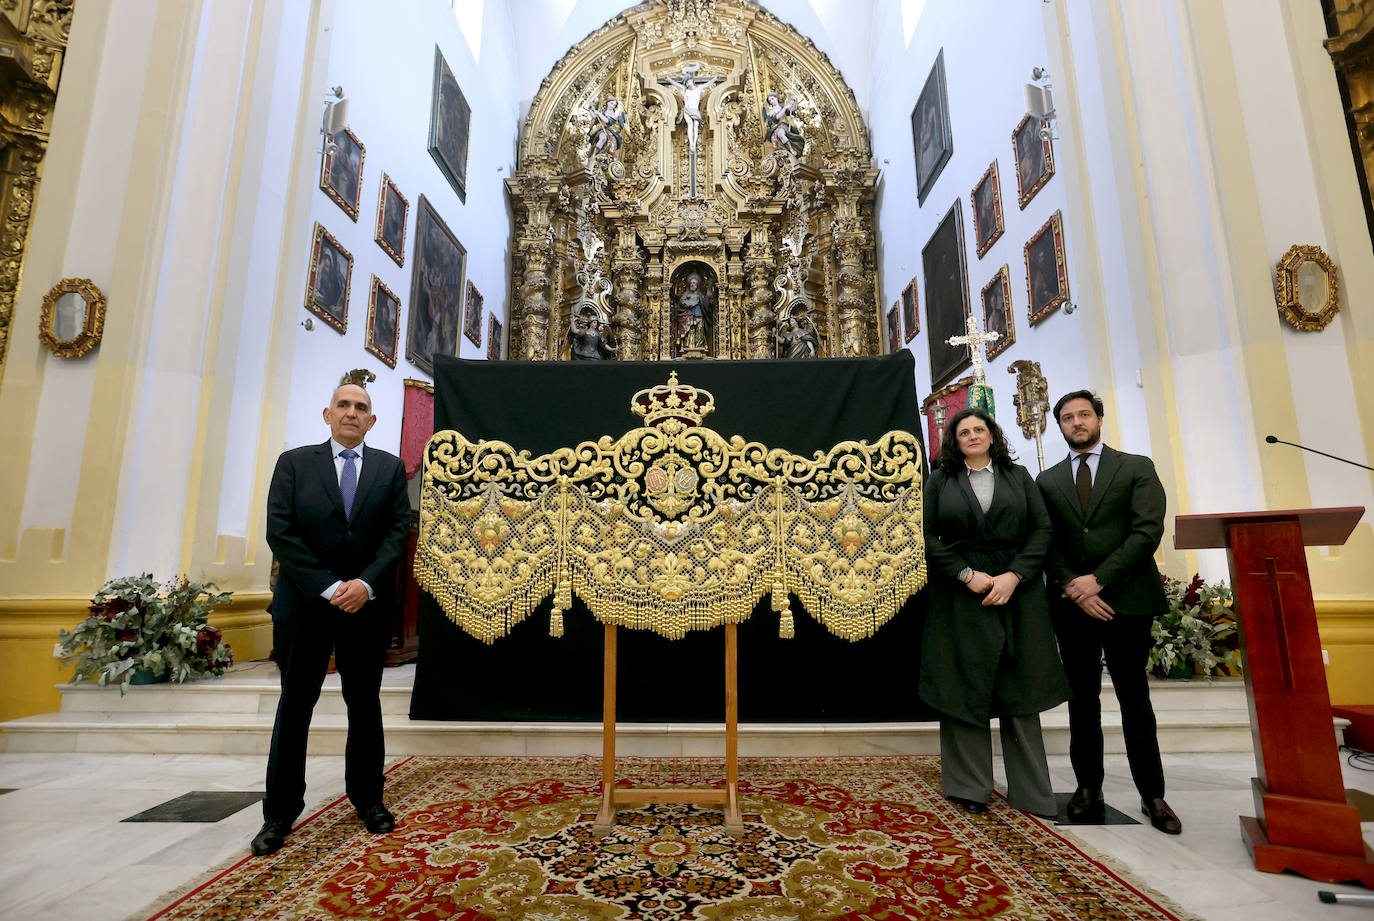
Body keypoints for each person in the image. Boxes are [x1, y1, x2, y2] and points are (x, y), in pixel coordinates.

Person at [251, 382, 411, 857]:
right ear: (327, 414)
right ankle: (279, 814)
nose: (351, 413)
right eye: (343, 405)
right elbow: (281, 531)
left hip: (365, 607)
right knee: (295, 706)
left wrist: (365, 585)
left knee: (364, 705)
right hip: (305, 605)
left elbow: (398, 531)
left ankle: (369, 800)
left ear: (371, 421)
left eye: (361, 408)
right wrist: (327, 586)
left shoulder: (389, 469)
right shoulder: (294, 464)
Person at [1036, 390, 1182, 835]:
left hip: (1127, 601)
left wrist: (1098, 580)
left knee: (1134, 699)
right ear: (1059, 426)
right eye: (1067, 417)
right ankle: (1088, 789)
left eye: (1084, 414)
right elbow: (1045, 539)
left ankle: (1153, 795)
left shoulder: (1135, 467)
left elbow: (1146, 531)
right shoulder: (1048, 480)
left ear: (1099, 419)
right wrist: (1074, 586)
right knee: (1082, 701)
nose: (1076, 422)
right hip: (1073, 606)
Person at [920, 408, 1070, 817]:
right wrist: (964, 574)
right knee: (963, 686)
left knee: (1020, 688)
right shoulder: (941, 480)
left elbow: (1042, 530)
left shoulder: (1018, 477)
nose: (972, 435)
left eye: (979, 429)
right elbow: (927, 535)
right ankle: (969, 786)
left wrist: (1014, 576)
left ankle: (1031, 792)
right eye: (963, 431)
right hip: (960, 593)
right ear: (954, 441)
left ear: (992, 435)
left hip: (1017, 593)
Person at [665, 65, 720, 152]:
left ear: (692, 81)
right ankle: (691, 143)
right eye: (686, 83)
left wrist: (715, 79)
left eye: (688, 82)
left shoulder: (698, 89)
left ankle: (694, 142)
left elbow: (708, 84)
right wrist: (669, 80)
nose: (688, 84)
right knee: (690, 125)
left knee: (696, 126)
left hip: (695, 111)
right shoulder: (685, 89)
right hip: (687, 110)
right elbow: (676, 84)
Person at [675, 272, 712, 352]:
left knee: (700, 328)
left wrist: (708, 298)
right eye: (691, 283)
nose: (692, 285)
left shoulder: (700, 295)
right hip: (689, 315)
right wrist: (686, 304)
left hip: (698, 314)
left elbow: (705, 305)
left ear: (697, 285)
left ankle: (699, 345)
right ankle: (688, 345)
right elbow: (681, 303)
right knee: (689, 329)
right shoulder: (686, 294)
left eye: (694, 283)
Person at [763, 91, 804, 160]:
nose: (772, 101)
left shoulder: (782, 106)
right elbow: (777, 117)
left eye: (772, 99)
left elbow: (793, 109)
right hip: (777, 127)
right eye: (770, 100)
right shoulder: (771, 111)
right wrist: (785, 108)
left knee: (782, 133)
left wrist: (795, 101)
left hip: (785, 125)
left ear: (776, 98)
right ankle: (790, 150)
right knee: (780, 134)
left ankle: (791, 149)